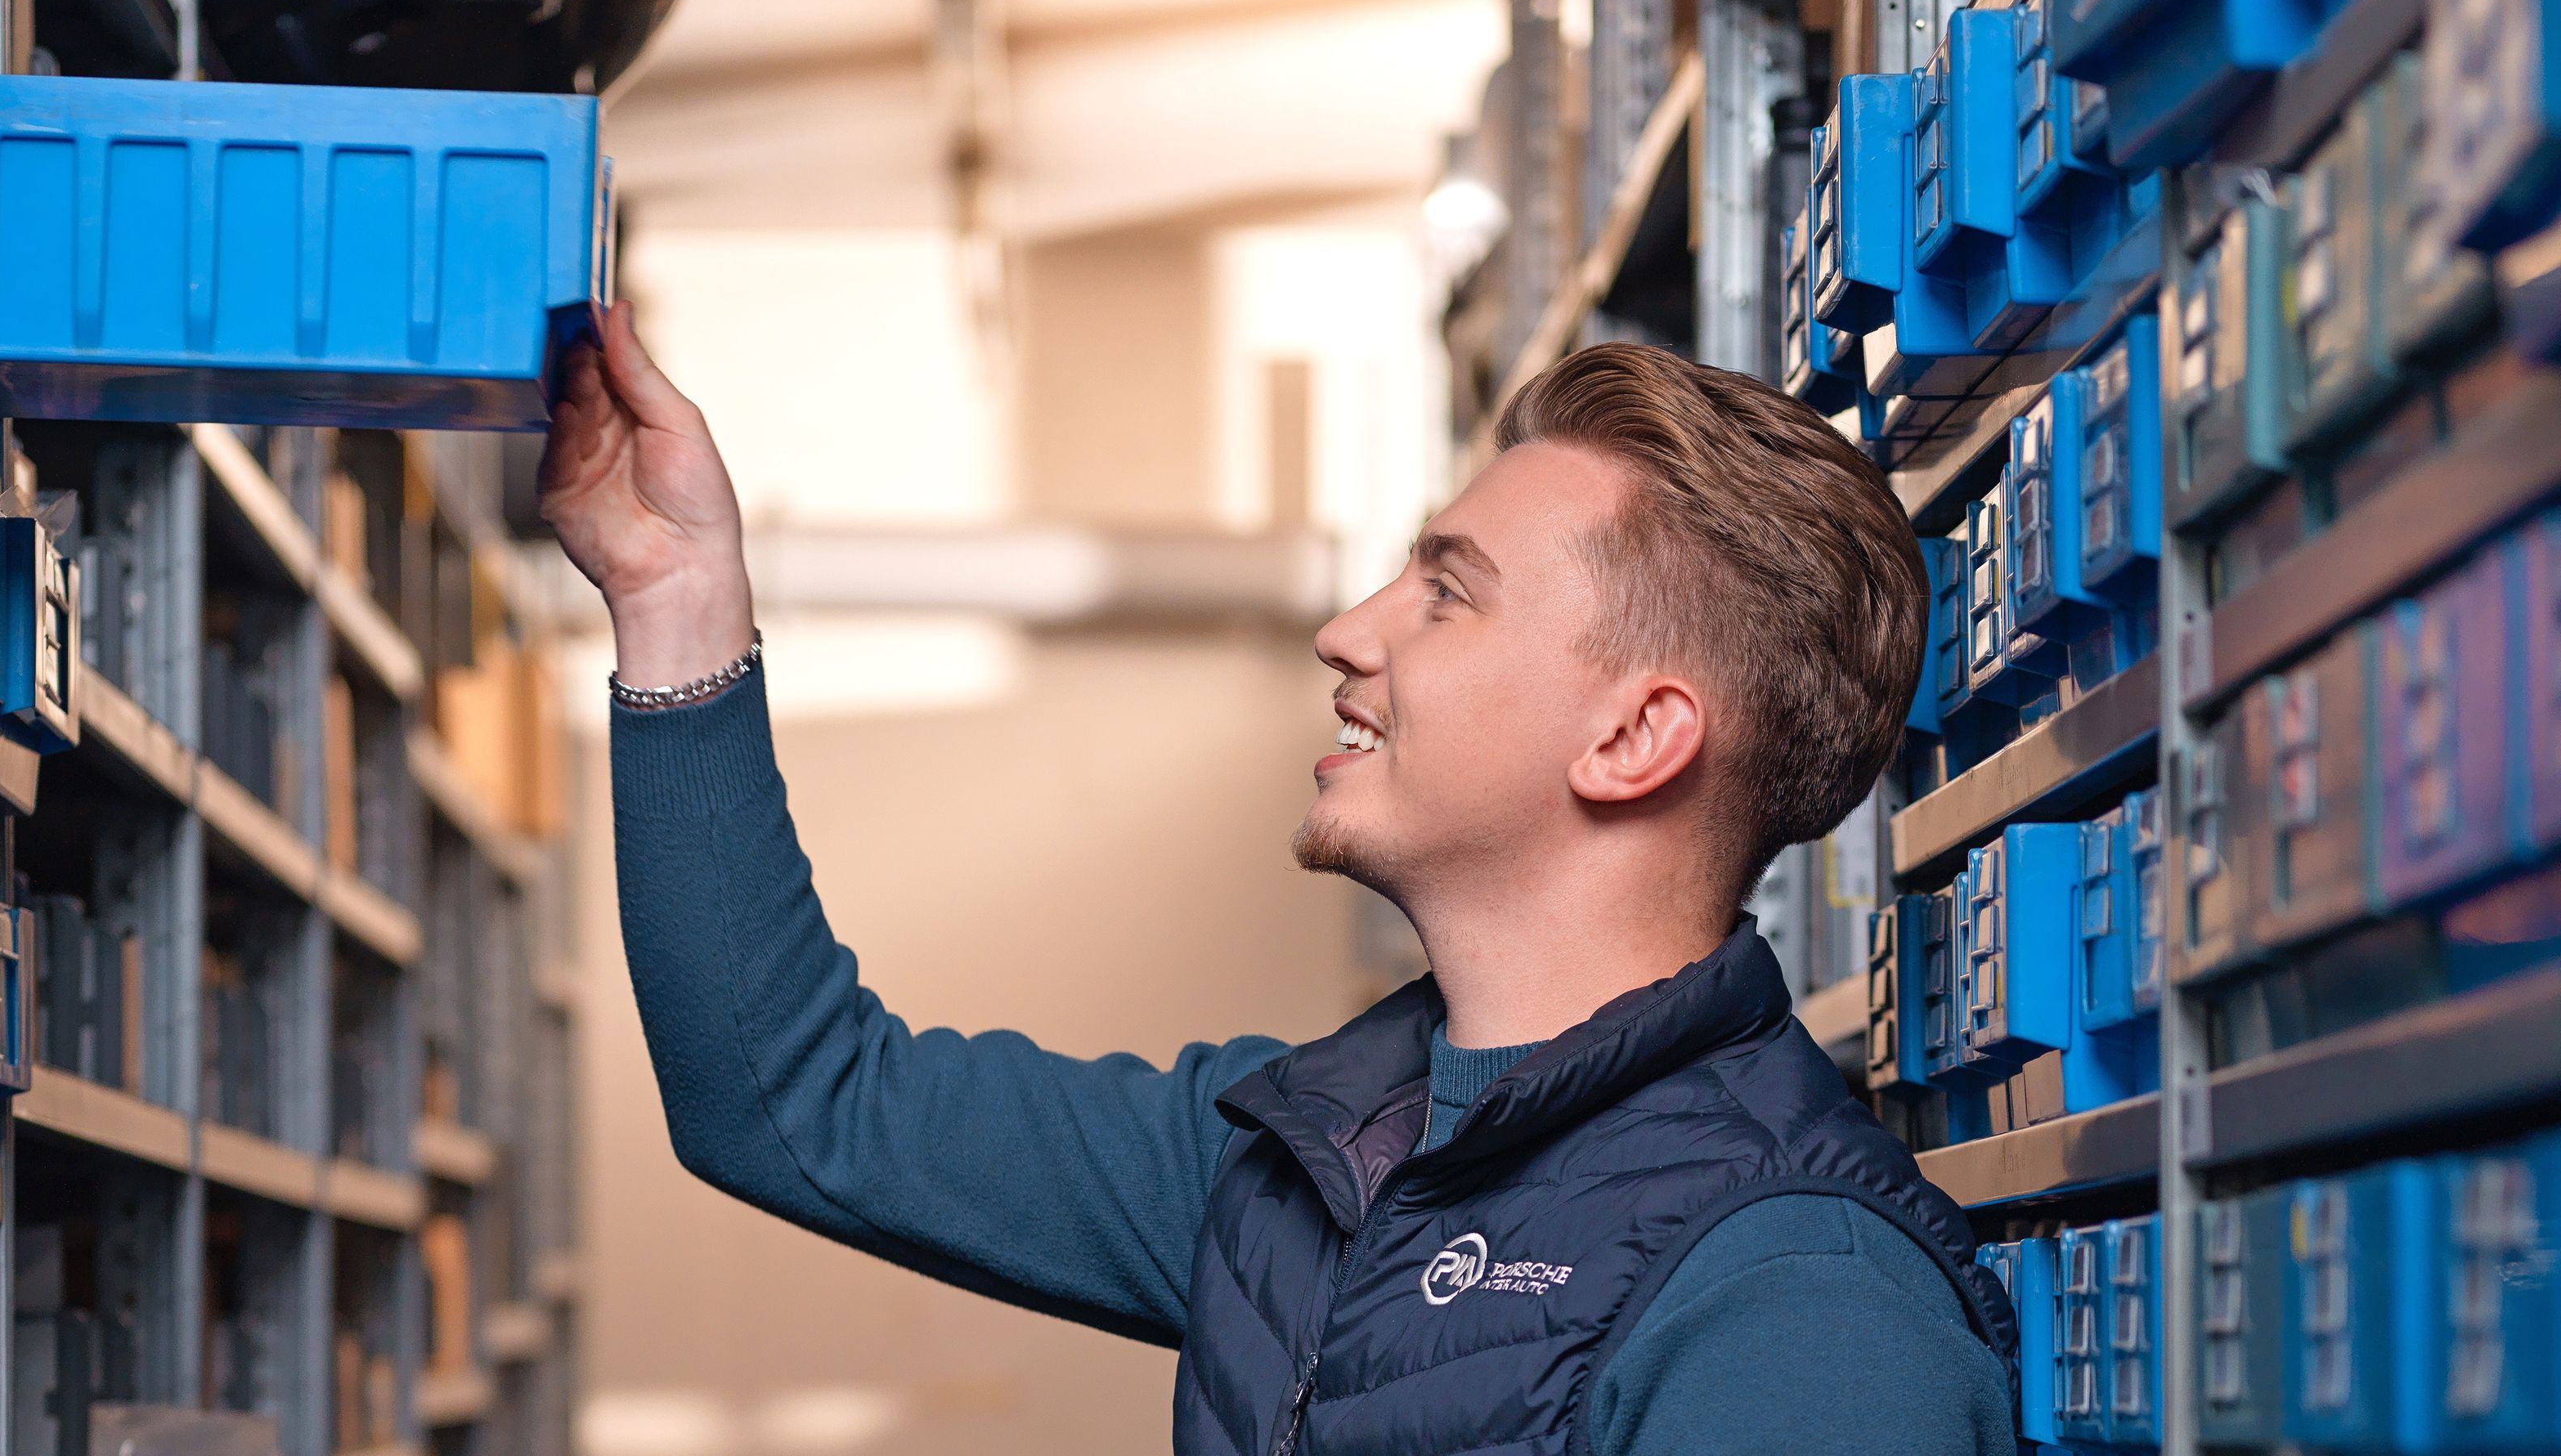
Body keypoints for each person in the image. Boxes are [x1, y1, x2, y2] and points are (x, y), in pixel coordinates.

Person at [539, 302, 2017, 1456]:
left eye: (1446, 591)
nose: (1349, 628)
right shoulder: (1301, 1152)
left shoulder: (1800, 1303)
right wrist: (678, 604)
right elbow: (792, 1102)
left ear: (1635, 737)